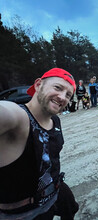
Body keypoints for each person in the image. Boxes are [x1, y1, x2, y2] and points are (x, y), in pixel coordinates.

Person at [0, 68, 79, 220]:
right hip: (24, 213)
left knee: (71, 207)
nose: (62, 97)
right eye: (57, 87)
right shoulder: (18, 118)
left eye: (68, 95)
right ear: (38, 85)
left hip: (55, 189)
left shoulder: (55, 120)